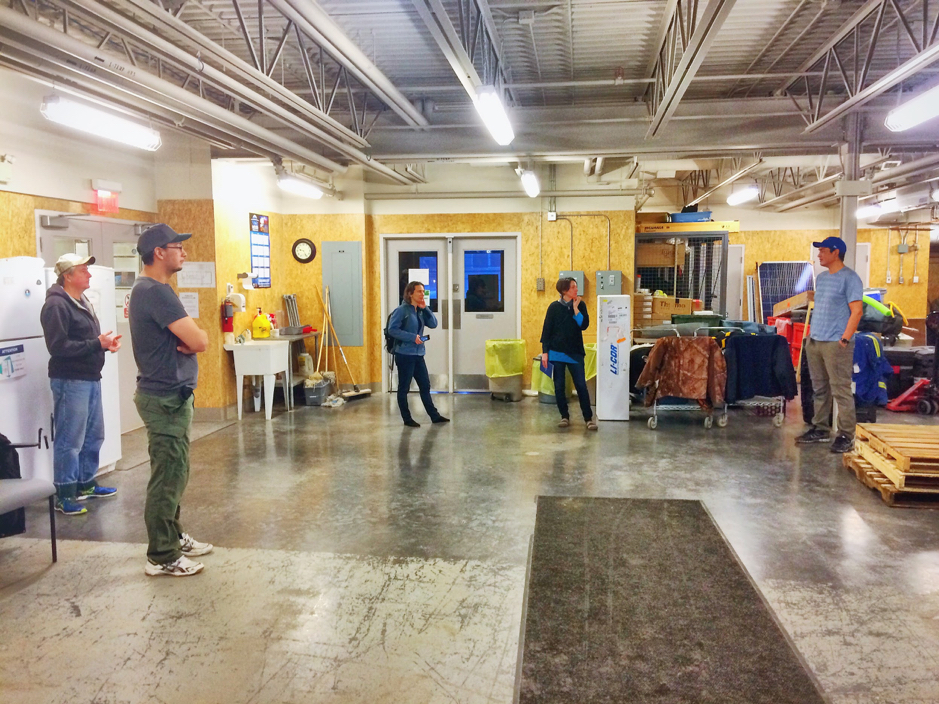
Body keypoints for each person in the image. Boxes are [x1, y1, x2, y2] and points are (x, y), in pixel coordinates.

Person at [129, 224, 213, 577]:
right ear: (159, 252)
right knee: (168, 476)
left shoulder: (151, 289)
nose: (184, 251)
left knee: (175, 472)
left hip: (170, 396)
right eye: (177, 246)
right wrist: (194, 340)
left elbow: (193, 340)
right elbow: (200, 341)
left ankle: (173, 536)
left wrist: (192, 340)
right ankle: (162, 555)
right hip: (164, 398)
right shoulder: (155, 292)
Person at [40, 253, 121, 516]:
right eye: (83, 270)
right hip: (70, 380)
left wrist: (104, 346)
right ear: (68, 275)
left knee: (93, 435)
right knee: (70, 440)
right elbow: (58, 347)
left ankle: (86, 483)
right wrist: (96, 344)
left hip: (90, 377)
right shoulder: (56, 305)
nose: (89, 274)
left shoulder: (81, 300)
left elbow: (83, 341)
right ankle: (64, 494)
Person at [797, 236, 863, 454]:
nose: (819, 255)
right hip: (816, 341)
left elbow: (856, 311)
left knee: (840, 390)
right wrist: (811, 335)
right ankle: (820, 428)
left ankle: (846, 435)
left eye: (823, 251)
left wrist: (844, 338)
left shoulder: (850, 278)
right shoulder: (823, 278)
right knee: (819, 389)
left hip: (836, 343)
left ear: (836, 253)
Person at [387, 281, 449, 428]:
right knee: (404, 387)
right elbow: (392, 329)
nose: (423, 294)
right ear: (410, 293)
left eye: (423, 291)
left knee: (425, 385)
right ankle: (407, 419)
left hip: (418, 354)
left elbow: (433, 324)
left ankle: (434, 416)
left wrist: (425, 308)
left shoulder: (419, 310)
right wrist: (412, 337)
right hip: (404, 354)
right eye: (419, 291)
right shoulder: (401, 310)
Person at [541, 277, 597, 431]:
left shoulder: (581, 305)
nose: (576, 289)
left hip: (575, 352)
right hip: (556, 352)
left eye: (576, 286)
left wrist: (576, 308)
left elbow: (584, 325)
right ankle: (564, 416)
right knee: (559, 386)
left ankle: (588, 418)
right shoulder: (554, 307)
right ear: (564, 290)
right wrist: (545, 352)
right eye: (573, 287)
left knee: (581, 385)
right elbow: (546, 331)